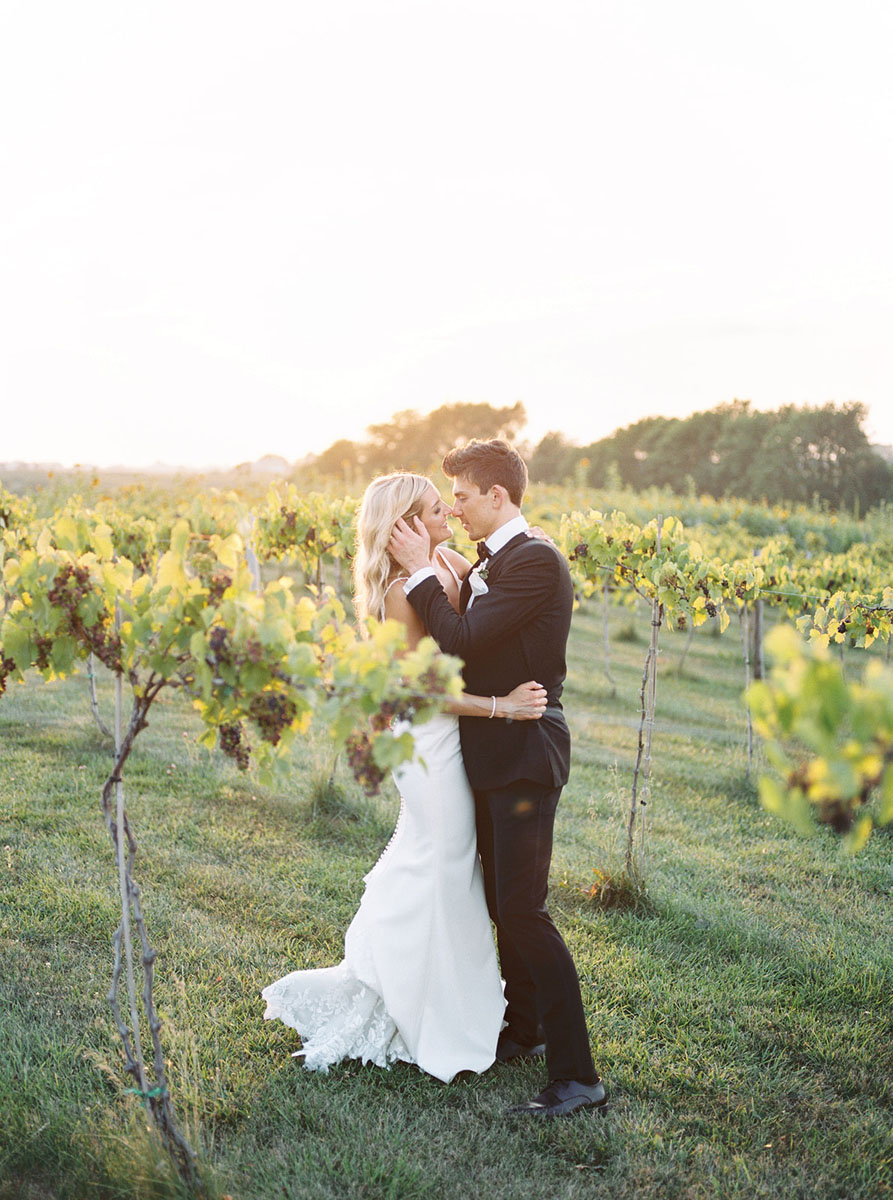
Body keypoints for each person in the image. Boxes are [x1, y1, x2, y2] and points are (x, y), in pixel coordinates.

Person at [262, 471, 548, 1083]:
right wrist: (502, 706)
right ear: (403, 526)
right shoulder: (398, 594)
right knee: (438, 863)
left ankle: (457, 1003)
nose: (447, 510)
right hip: (427, 745)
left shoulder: (446, 557)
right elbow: (417, 692)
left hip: (459, 741)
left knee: (453, 870)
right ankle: (407, 1001)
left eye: (445, 504)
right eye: (432, 507)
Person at [388, 439, 607, 1118]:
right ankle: (524, 1030)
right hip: (487, 753)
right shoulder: (500, 556)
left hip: (526, 752)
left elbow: (459, 640)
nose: (452, 506)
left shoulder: (535, 560)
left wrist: (422, 569)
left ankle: (578, 1079)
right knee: (499, 906)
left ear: (497, 497)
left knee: (523, 910)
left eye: (460, 495)